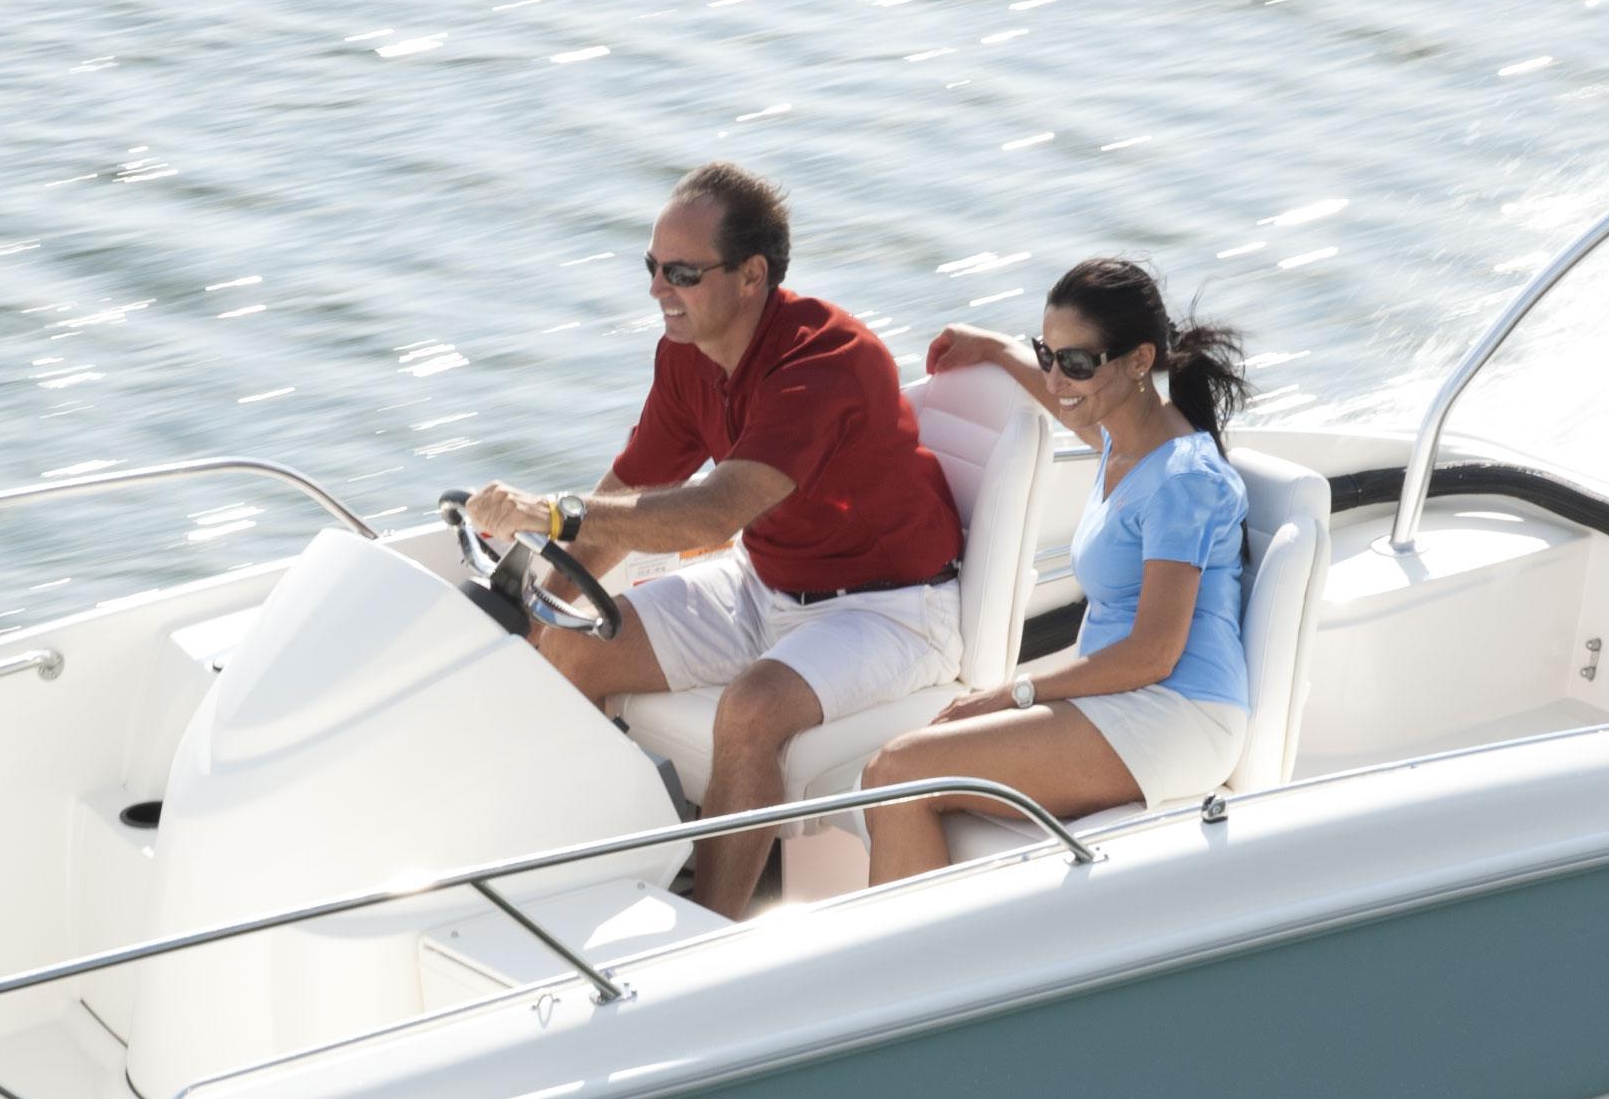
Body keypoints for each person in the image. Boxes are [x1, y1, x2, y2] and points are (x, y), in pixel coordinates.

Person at [465, 163, 965, 915]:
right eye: (652, 268)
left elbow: (710, 514)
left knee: (752, 708)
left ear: (751, 276)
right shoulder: (686, 354)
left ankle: (709, 929)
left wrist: (547, 515)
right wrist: (544, 601)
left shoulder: (825, 362)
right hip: (764, 579)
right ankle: (585, 878)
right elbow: (621, 499)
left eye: (683, 273)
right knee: (570, 642)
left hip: (892, 609)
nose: (659, 289)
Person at [860, 259, 1250, 883]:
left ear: (1138, 359)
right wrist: (995, 348)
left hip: (1177, 713)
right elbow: (1063, 398)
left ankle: (918, 973)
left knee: (896, 772)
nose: (1058, 378)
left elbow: (1153, 654)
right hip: (1125, 697)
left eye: (1076, 362)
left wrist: (1012, 692)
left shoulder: (1183, 481)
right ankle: (927, 964)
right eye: (1049, 353)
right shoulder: (1124, 442)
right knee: (891, 773)